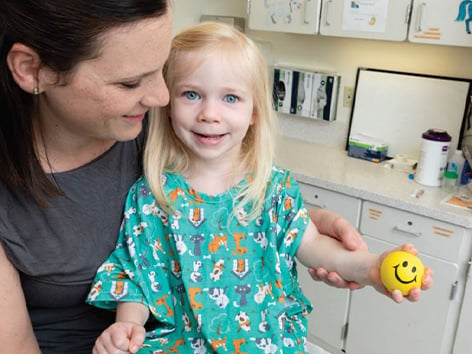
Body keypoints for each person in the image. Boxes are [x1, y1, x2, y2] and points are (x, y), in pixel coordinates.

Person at [0, 1, 372, 353]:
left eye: (161, 71)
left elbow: (236, 196)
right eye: (131, 82)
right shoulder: (151, 187)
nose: (162, 98)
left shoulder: (167, 132)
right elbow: (139, 271)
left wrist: (307, 222)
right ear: (33, 70)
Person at [87, 22, 433, 354]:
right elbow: (138, 273)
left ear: (254, 111)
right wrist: (127, 325)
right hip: (181, 343)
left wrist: (372, 268)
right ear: (167, 105)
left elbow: (315, 247)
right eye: (191, 94)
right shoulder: (152, 196)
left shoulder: (274, 189)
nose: (209, 113)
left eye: (231, 98)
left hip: (266, 343)